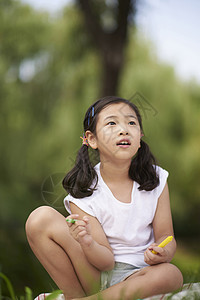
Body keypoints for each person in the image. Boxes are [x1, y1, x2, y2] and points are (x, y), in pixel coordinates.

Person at [26, 96, 183, 300]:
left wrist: (163, 252)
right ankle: (79, 295)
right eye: (111, 123)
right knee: (39, 218)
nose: (124, 129)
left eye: (131, 123)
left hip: (141, 275)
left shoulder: (157, 179)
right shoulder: (85, 191)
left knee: (171, 274)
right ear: (92, 139)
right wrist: (86, 241)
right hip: (97, 274)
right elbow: (106, 262)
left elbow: (166, 237)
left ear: (140, 138)